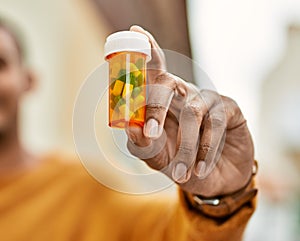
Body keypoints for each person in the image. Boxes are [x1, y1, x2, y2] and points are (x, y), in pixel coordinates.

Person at [0, 18, 257, 241]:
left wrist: (221, 198)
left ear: (28, 80)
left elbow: (169, 233)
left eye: (1, 64)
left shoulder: (81, 193)